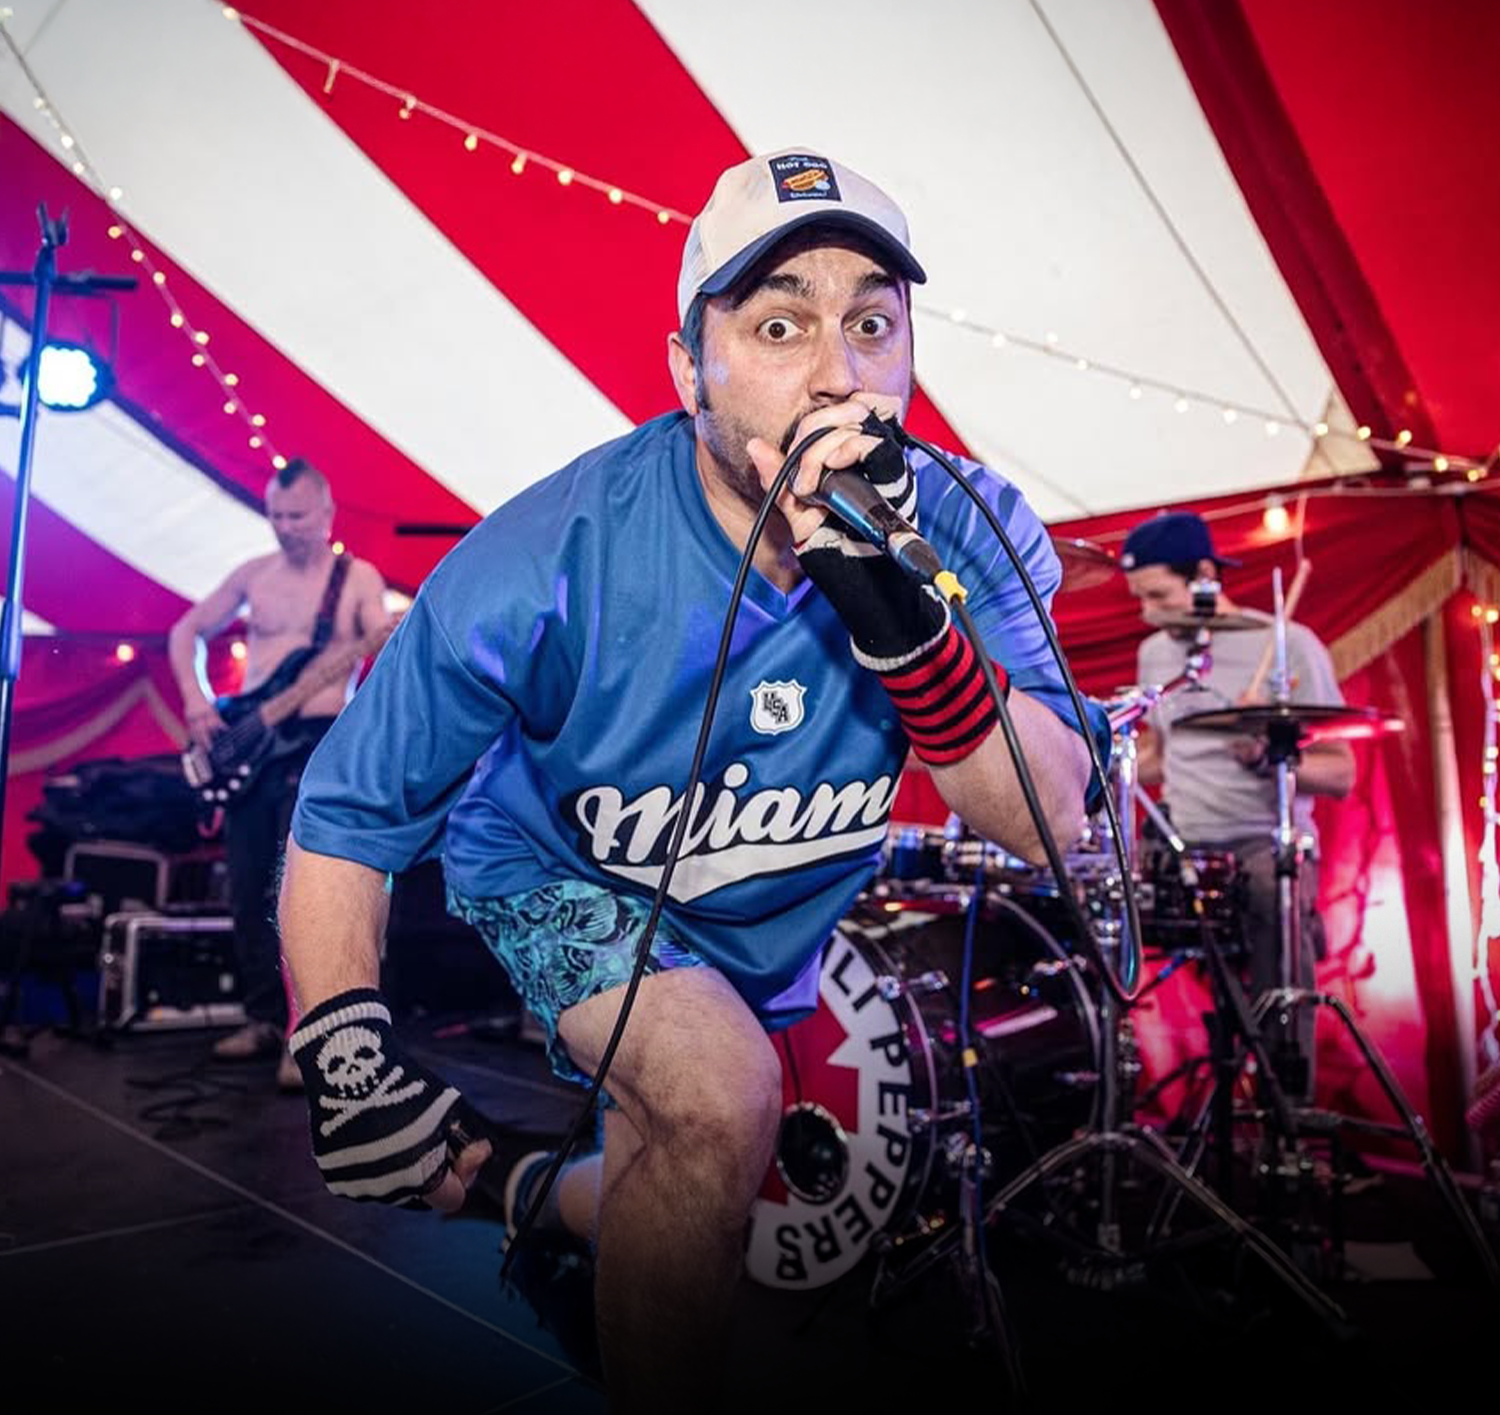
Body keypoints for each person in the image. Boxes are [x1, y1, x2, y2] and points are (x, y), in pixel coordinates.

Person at [276, 148, 1108, 1409]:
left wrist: (908, 625)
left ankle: (516, 1197)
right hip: (555, 872)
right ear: (687, 370)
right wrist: (341, 1041)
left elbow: (1049, 823)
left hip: (768, 903)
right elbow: (347, 816)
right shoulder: (542, 559)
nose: (839, 372)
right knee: (720, 1096)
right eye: (780, 324)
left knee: (699, 1157)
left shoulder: (969, 527)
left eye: (871, 324)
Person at [168, 458, 390, 1089]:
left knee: (301, 892)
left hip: (319, 742)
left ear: (326, 514)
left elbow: (376, 628)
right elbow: (186, 630)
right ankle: (261, 1016)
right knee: (245, 886)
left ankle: (307, 1033)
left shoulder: (356, 577)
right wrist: (195, 698)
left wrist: (379, 634)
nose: (286, 527)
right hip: (251, 745)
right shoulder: (253, 575)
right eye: (276, 515)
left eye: (297, 516)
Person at [1120, 510, 1355, 1103]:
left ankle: (1284, 1098)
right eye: (1139, 598)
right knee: (1087, 891)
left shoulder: (1285, 645)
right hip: (1180, 842)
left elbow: (1341, 772)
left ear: (1203, 574)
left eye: (1159, 595)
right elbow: (1160, 756)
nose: (1148, 612)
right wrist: (1099, 766)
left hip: (1260, 844)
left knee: (1270, 894)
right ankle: (1105, 1091)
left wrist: (1271, 757)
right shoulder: (1156, 654)